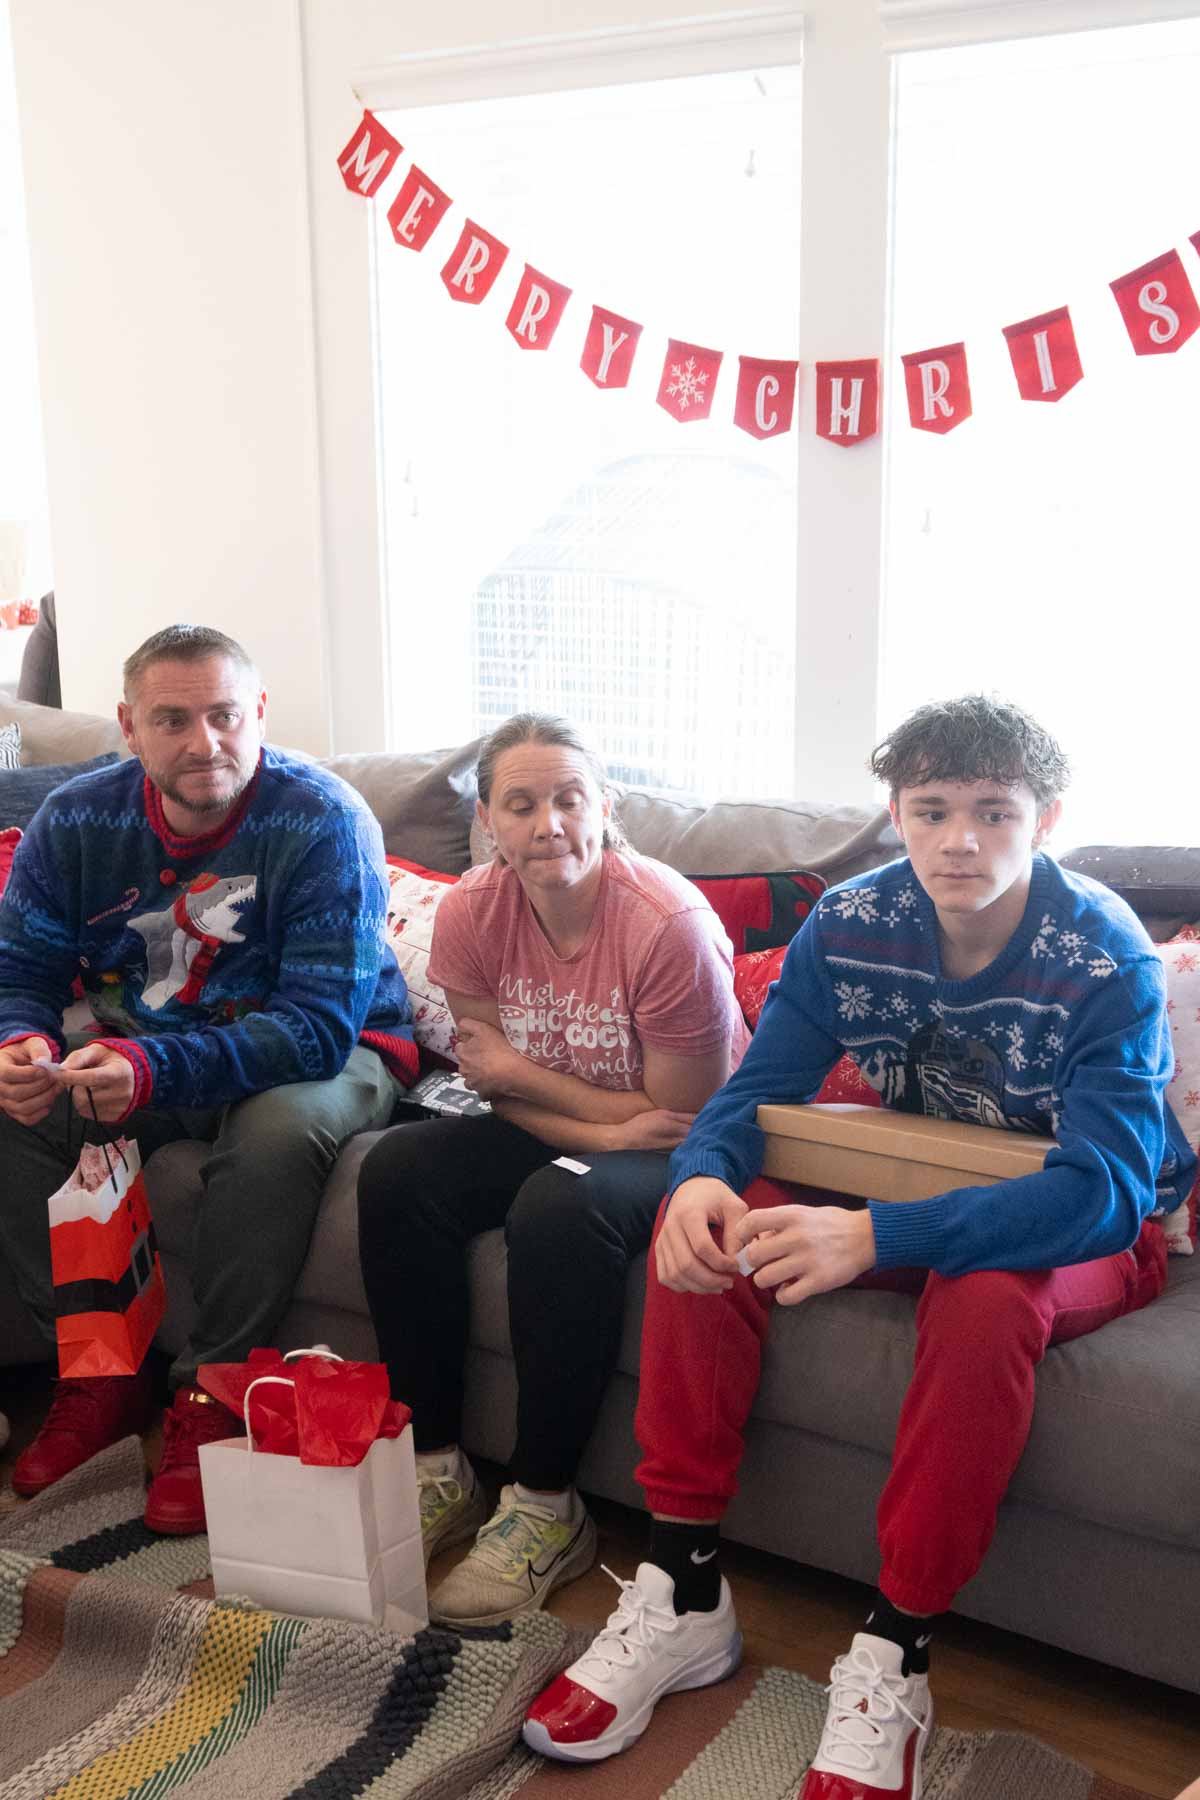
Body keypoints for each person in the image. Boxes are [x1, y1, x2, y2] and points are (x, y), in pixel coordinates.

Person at [523, 695, 1195, 1798]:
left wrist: (874, 1235)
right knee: (718, 1228)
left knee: (983, 1301)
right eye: (931, 812)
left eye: (992, 813)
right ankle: (685, 1586)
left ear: (1048, 818)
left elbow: (1107, 1191)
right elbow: (756, 1092)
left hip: (1077, 1222)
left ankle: (896, 1653)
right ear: (897, 812)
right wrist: (697, 1180)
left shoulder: (1102, 953)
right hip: (906, 1174)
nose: (959, 841)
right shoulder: (852, 920)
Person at [0, 624, 415, 1532]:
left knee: (272, 1140)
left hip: (332, 1048)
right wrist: (20, 1044)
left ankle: (210, 1397)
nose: (205, 743)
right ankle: (98, 1374)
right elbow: (18, 970)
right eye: (173, 719)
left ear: (258, 713)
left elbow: (314, 1027)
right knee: (14, 1114)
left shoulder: (325, 820)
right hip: (151, 1040)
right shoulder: (74, 818)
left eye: (226, 715)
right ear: (128, 726)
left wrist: (149, 1068)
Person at [357, 711, 748, 1628]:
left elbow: (686, 1117)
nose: (548, 826)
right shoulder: (472, 911)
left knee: (556, 1207)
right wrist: (603, 1125)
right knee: (398, 1170)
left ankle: (543, 1506)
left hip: (693, 1148)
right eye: (520, 804)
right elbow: (493, 1088)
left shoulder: (667, 927)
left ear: (603, 807)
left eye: (569, 799)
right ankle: (437, 1466)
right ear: (488, 820)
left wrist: (574, 1113)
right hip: (598, 1125)